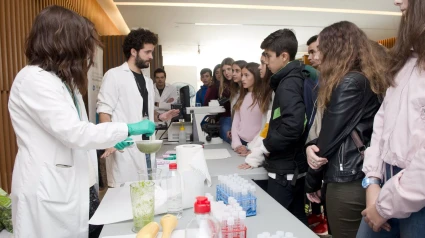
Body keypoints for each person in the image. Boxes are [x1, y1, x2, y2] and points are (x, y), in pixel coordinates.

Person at [7, 6, 156, 237]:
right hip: (51, 189)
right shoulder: (33, 80)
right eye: (83, 45)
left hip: (81, 183)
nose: (86, 54)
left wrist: (108, 142)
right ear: (62, 42)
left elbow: (77, 134)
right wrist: (127, 128)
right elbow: (74, 133)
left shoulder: (65, 83)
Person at [304, 21, 390, 238]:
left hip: (348, 179)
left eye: (322, 47)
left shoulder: (350, 81)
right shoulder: (367, 77)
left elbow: (328, 140)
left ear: (335, 48)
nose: (319, 54)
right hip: (361, 175)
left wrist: (312, 181)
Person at [357, 0, 425, 237]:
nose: (396, 1)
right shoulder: (407, 60)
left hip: (416, 196)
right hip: (385, 185)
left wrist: (385, 204)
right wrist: (373, 180)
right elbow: (382, 123)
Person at [97, 28, 179, 187]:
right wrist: (111, 142)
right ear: (133, 51)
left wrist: (161, 117)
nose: (151, 56)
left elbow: (144, 113)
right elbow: (104, 113)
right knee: (125, 198)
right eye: (147, 52)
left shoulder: (147, 81)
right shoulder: (114, 75)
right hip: (124, 147)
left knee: (146, 193)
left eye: (152, 52)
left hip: (147, 148)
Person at [259, 29, 309, 225]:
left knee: (277, 225)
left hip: (286, 170)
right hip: (292, 167)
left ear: (284, 56)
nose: (267, 62)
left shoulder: (288, 84)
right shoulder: (294, 78)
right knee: (297, 223)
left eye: (269, 57)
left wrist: (267, 145)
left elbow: (292, 126)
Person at [231, 63, 268, 155]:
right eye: (242, 75)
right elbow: (235, 123)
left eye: (246, 75)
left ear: (256, 76)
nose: (242, 78)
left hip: (256, 145)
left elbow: (264, 127)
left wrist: (251, 147)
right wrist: (237, 145)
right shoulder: (241, 97)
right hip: (240, 143)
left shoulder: (264, 98)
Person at [218, 58, 234, 144]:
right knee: (228, 142)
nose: (226, 73)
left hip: (239, 118)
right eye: (224, 70)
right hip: (227, 117)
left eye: (229, 69)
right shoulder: (223, 86)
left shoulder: (241, 83)